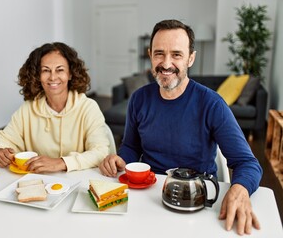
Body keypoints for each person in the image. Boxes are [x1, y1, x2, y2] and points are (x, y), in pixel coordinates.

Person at [99, 20, 262, 235]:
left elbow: (247, 163)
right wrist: (120, 159)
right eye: (159, 53)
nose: (166, 64)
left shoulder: (212, 104)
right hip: (148, 194)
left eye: (176, 54)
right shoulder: (139, 99)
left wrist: (240, 189)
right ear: (150, 55)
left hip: (195, 199)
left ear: (191, 58)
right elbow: (131, 147)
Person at [0, 42, 110, 173]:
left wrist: (61, 163)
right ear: (37, 76)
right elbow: (0, 140)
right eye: (45, 70)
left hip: (77, 181)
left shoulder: (88, 107)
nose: (53, 77)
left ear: (70, 74)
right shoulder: (27, 109)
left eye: (60, 70)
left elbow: (101, 152)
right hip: (38, 180)